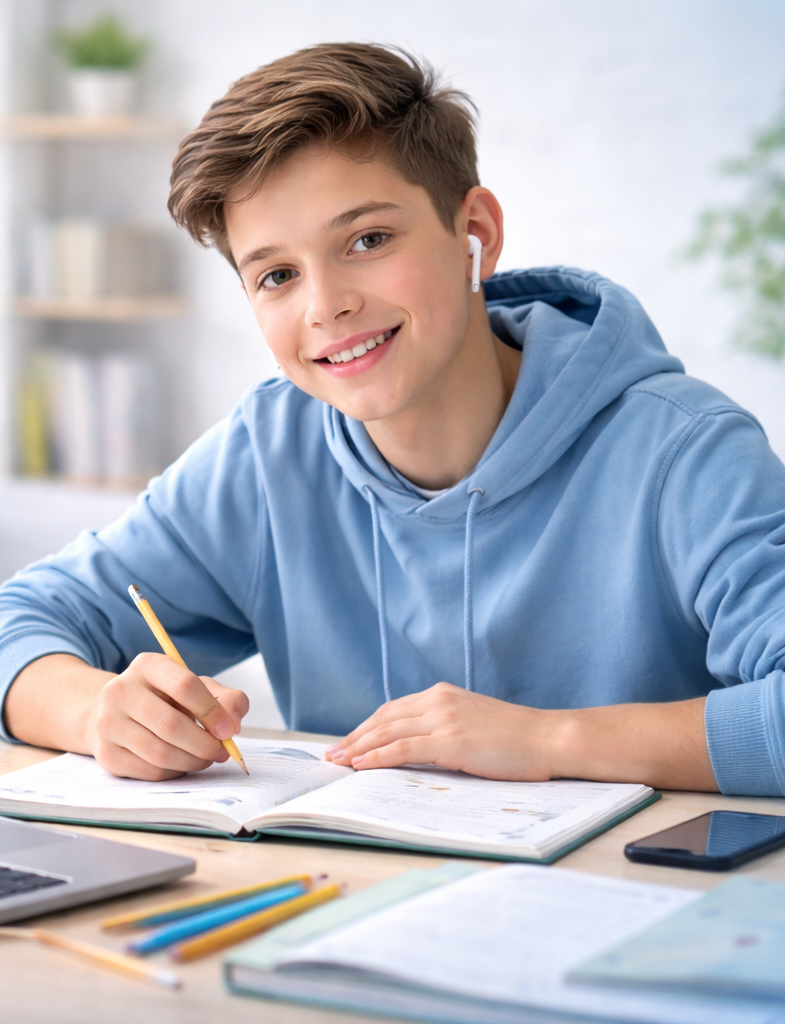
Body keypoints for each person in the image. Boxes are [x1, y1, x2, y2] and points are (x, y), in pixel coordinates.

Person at [2, 44, 784, 797]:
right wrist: (94, 713)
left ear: (473, 234)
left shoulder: (684, 452)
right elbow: (22, 620)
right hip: (341, 905)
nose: (325, 305)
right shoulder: (267, 455)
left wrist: (546, 741)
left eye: (367, 240)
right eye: (276, 275)